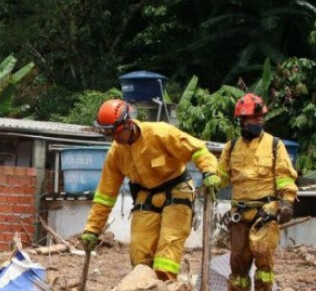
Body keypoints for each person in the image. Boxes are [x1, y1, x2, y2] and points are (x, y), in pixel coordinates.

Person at [80, 99, 221, 280]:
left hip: (177, 189)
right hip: (146, 194)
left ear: (128, 124)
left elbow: (197, 150)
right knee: (140, 255)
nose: (114, 139)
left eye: (115, 133)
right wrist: (93, 229)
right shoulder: (116, 154)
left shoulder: (160, 133)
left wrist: (209, 171)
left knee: (166, 255)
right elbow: (105, 195)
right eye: (109, 135)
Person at [218, 93, 298, 291]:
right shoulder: (231, 148)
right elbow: (221, 176)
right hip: (240, 213)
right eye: (253, 119)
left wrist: (286, 201)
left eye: (260, 118)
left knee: (263, 258)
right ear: (241, 122)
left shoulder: (274, 145)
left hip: (266, 211)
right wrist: (210, 180)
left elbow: (284, 176)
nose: (258, 123)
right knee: (238, 262)